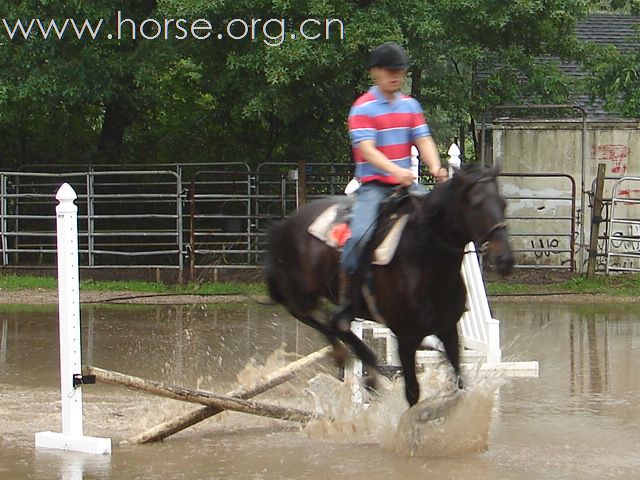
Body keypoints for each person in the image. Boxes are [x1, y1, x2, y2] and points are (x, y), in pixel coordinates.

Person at [332, 41, 448, 332]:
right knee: (359, 237)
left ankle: (443, 293)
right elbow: (368, 151)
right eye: (389, 71)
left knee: (442, 223)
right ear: (375, 72)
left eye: (400, 71)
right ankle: (348, 301)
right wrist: (398, 171)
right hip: (374, 187)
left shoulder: (411, 106)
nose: (395, 76)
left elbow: (423, 139)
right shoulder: (363, 108)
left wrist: (435, 167)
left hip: (407, 188)